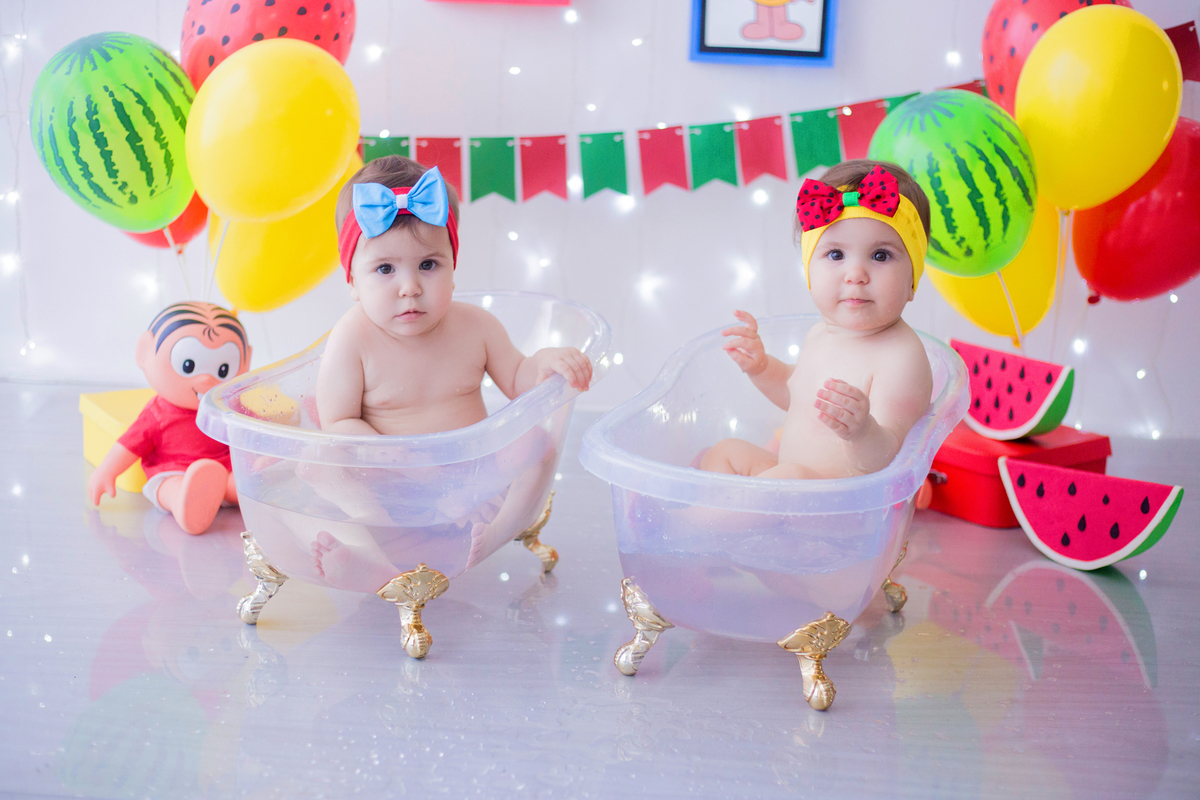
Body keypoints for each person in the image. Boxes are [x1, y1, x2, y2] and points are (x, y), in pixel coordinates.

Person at [309, 156, 591, 576]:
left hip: (475, 481)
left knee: (536, 442)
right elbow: (338, 421)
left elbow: (518, 380)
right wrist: (398, 459)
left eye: (428, 265)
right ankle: (371, 554)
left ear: (452, 266)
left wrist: (545, 363)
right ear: (351, 280)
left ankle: (501, 529)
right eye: (384, 269)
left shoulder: (476, 327)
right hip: (393, 485)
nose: (410, 287)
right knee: (317, 463)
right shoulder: (351, 339)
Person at [701, 160, 934, 479]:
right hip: (790, 487)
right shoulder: (820, 334)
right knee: (727, 451)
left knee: (790, 477)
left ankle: (687, 520)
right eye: (836, 255)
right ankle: (705, 505)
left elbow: (889, 457)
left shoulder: (902, 357)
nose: (856, 274)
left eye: (880, 255)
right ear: (810, 270)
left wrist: (862, 430)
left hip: (843, 509)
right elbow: (798, 397)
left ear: (912, 280)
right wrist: (762, 368)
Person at [87, 302, 251, 533]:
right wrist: (106, 471)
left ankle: (247, 497)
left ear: (248, 359)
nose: (206, 380)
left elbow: (253, 430)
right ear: (144, 353)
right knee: (168, 488)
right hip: (172, 471)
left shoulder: (229, 406)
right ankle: (184, 502)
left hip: (224, 470)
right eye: (189, 365)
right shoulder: (158, 413)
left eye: (223, 370)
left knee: (241, 480)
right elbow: (130, 444)